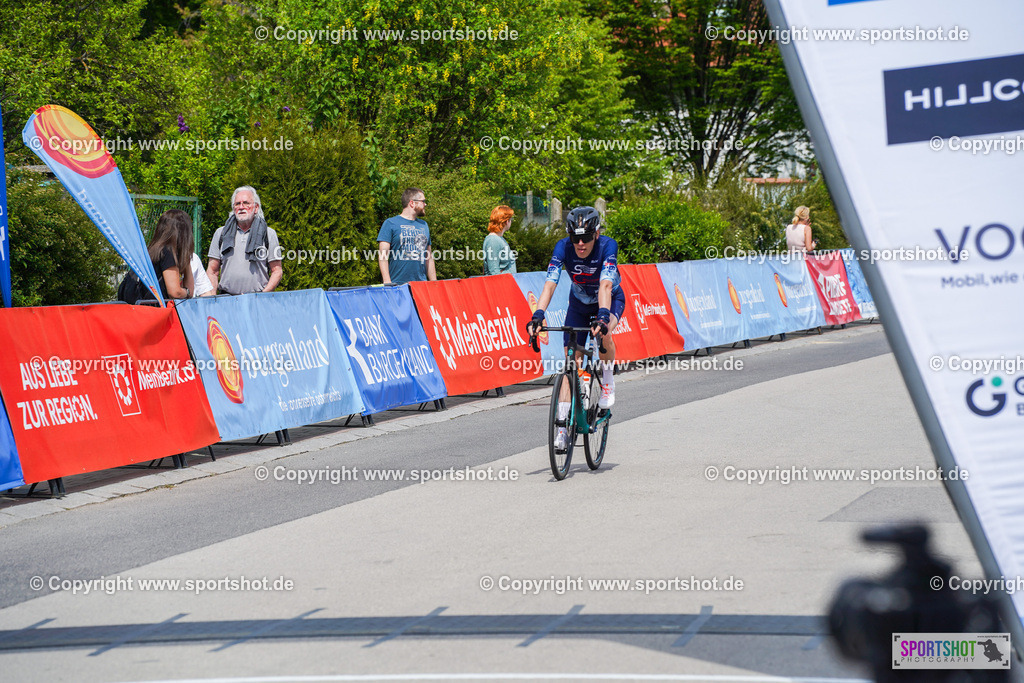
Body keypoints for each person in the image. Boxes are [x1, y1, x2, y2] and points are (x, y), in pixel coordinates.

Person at [526, 206, 625, 451]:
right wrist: (538, 314)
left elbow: (605, 285)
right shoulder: (563, 247)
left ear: (597, 234)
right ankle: (561, 430)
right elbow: (550, 283)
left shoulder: (607, 246)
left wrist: (603, 316)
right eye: (575, 238)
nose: (580, 244)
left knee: (606, 332)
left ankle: (608, 382)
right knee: (571, 363)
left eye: (586, 238)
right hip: (579, 305)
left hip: (609, 300)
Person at [207, 186, 283, 294]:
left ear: (256, 208)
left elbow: (277, 271)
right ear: (233, 208)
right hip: (227, 301)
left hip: (257, 301)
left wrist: (263, 295)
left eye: (246, 203)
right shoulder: (221, 233)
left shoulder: (268, 234)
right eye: (237, 204)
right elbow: (212, 271)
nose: (241, 207)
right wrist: (213, 298)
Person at [378, 188, 437, 284]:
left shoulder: (424, 225)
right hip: (397, 285)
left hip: (421, 285)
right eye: (423, 201)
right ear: (412, 203)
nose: (425, 204)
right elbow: (383, 256)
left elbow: (429, 257)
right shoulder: (390, 223)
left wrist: (434, 283)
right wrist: (387, 282)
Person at [149, 209, 195, 300]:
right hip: (156, 310)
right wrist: (187, 292)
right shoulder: (168, 252)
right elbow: (175, 292)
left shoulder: (152, 250)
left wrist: (185, 256)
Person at [482, 205, 517, 275]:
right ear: (506, 221)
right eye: (511, 219)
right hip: (499, 284)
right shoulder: (493, 240)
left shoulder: (499, 239)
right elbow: (494, 271)